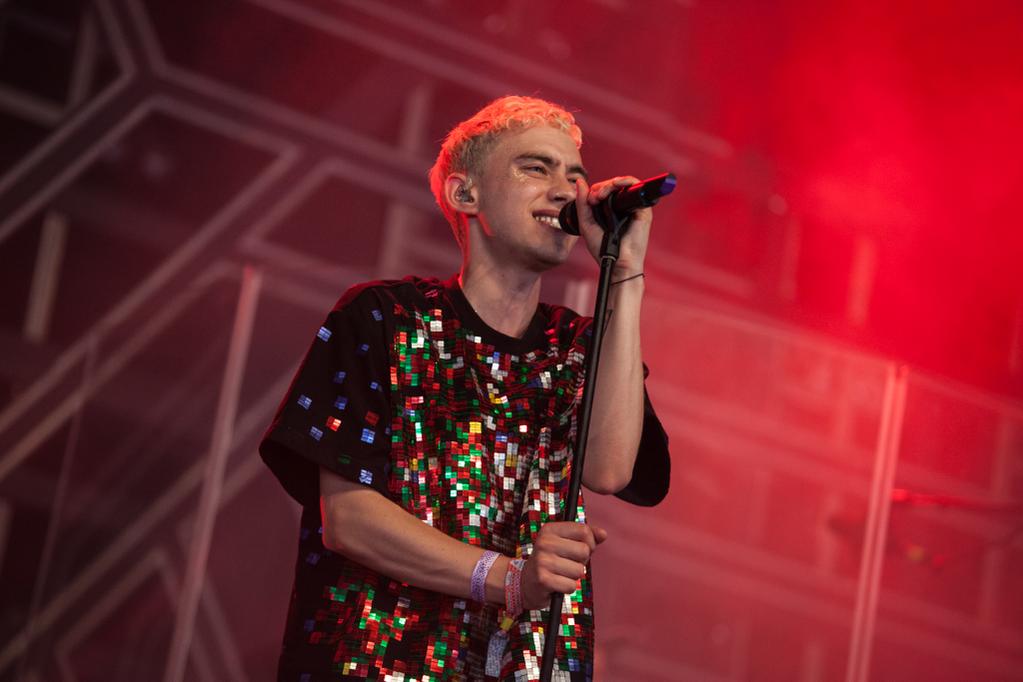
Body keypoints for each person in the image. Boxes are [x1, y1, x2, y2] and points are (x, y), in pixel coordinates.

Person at [259, 95, 670, 681]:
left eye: (575, 175)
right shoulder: (385, 317)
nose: (566, 191)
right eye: (536, 168)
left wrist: (625, 272)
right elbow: (349, 519)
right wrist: (508, 580)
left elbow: (609, 471)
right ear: (465, 194)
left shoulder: (579, 347)